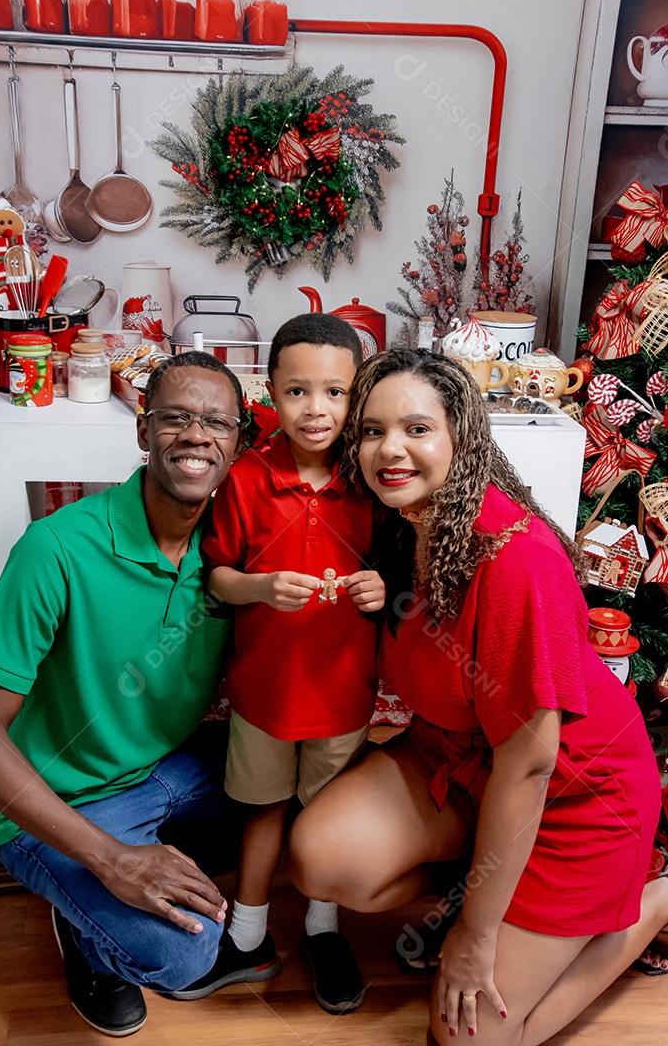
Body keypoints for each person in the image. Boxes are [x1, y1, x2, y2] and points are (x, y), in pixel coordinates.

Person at [286, 348, 668, 1045]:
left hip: (572, 797)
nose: (388, 450)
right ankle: (488, 884)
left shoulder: (516, 559)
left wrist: (474, 933)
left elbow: (529, 763)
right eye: (370, 431)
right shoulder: (405, 526)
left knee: (468, 1040)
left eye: (414, 429)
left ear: (461, 437)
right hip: (459, 759)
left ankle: (652, 898)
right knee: (320, 856)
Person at [0, 352, 246, 1038]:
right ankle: (88, 919)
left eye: (215, 423)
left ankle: (114, 866)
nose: (196, 436)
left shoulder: (233, 551)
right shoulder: (57, 547)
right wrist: (110, 860)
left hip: (167, 771)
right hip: (52, 800)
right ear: (143, 433)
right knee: (180, 953)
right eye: (174, 418)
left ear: (238, 443)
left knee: (301, 798)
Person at [181, 314, 385, 1014]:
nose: (315, 408)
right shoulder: (245, 477)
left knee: (324, 817)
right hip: (264, 691)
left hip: (343, 693)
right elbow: (216, 578)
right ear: (268, 390)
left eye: (334, 392)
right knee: (262, 810)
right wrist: (261, 587)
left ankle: (323, 930)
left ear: (357, 397)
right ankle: (248, 933)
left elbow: (399, 576)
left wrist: (380, 589)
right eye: (297, 390)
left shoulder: (371, 477)